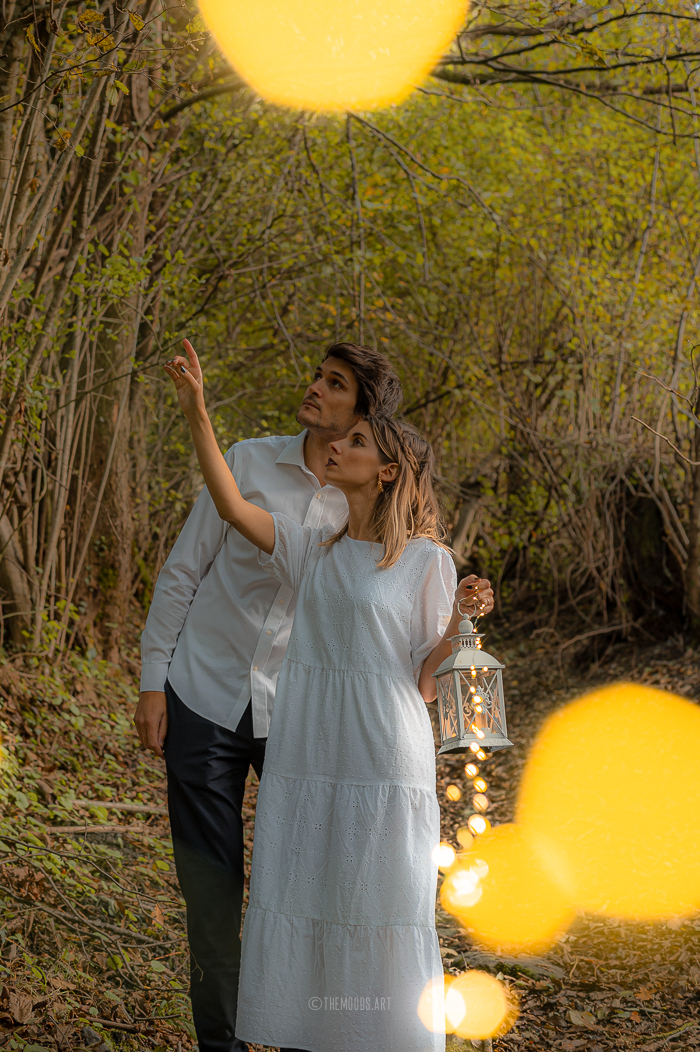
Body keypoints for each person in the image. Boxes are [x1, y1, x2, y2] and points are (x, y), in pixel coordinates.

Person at [164, 341, 495, 1052]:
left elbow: (427, 676)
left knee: (377, 908)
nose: (336, 448)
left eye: (355, 441)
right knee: (310, 903)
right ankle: (309, 1034)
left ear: (387, 470)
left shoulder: (428, 560)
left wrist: (463, 621)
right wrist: (197, 413)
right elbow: (228, 502)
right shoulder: (310, 546)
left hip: (383, 758)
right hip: (310, 757)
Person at [135, 339, 405, 1052]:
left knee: (300, 891)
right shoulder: (250, 462)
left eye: (335, 383)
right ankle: (219, 1044)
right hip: (204, 694)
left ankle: (300, 1035)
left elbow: (401, 591)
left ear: (362, 415)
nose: (314, 388)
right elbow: (182, 573)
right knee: (213, 895)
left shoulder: (364, 509)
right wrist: (153, 679)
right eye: (318, 375)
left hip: (300, 720)